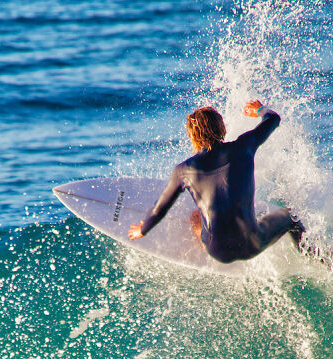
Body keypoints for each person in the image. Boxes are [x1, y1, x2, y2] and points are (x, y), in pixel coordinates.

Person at [128, 100, 306, 263]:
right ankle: (317, 259)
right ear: (222, 127)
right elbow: (274, 118)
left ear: (192, 136)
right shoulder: (245, 146)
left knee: (195, 217)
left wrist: (142, 230)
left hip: (218, 252)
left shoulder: (182, 171)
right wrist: (259, 109)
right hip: (252, 245)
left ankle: (203, 243)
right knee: (291, 218)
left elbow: (159, 209)